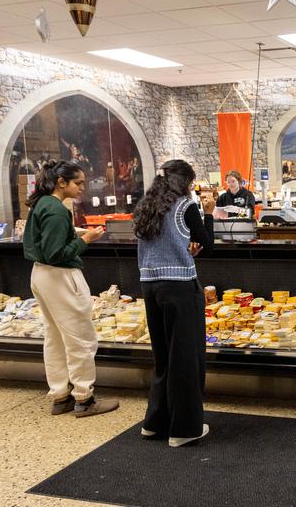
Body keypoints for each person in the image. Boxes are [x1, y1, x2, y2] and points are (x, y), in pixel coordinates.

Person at [23, 160, 118, 418]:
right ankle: (84, 398)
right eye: (78, 183)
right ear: (61, 182)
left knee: (54, 337)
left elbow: (42, 243)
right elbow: (56, 253)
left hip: (40, 274)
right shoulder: (56, 209)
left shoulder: (40, 203)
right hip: (60, 276)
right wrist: (85, 240)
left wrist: (73, 233)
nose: (81, 188)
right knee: (80, 338)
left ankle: (60, 396)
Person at [134, 159, 214, 448]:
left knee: (163, 355)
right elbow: (207, 242)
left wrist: (184, 245)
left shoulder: (146, 206)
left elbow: (164, 242)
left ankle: (155, 422)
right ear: (184, 183)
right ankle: (185, 428)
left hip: (149, 284)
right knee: (186, 357)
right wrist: (209, 213)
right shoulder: (185, 207)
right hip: (179, 287)